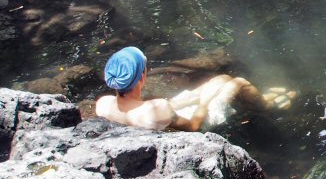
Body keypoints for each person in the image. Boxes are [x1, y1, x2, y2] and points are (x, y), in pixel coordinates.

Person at [95, 46, 269, 131]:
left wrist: (190, 99)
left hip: (164, 117)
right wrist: (204, 101)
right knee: (238, 82)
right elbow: (194, 126)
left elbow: (152, 110)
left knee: (222, 79)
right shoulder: (159, 109)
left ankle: (253, 102)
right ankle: (266, 106)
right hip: (194, 123)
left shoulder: (103, 104)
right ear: (142, 76)